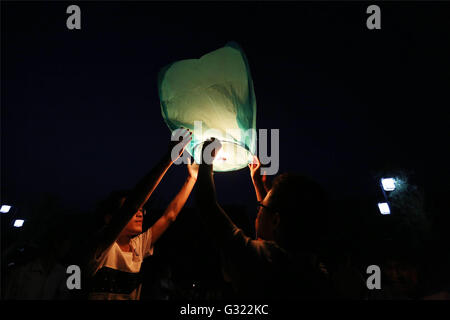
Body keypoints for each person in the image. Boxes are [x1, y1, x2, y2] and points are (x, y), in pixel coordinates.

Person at [196, 138, 335, 299]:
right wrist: (258, 184)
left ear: (276, 221)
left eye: (261, 207)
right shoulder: (315, 271)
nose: (258, 209)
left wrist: (206, 159)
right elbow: (269, 225)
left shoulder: (261, 259)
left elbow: (206, 204)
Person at [83, 128, 198, 300]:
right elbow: (134, 202)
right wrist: (169, 159)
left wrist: (192, 179)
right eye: (133, 210)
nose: (140, 213)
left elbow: (170, 216)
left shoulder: (138, 246)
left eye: (141, 210)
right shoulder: (101, 248)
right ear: (109, 218)